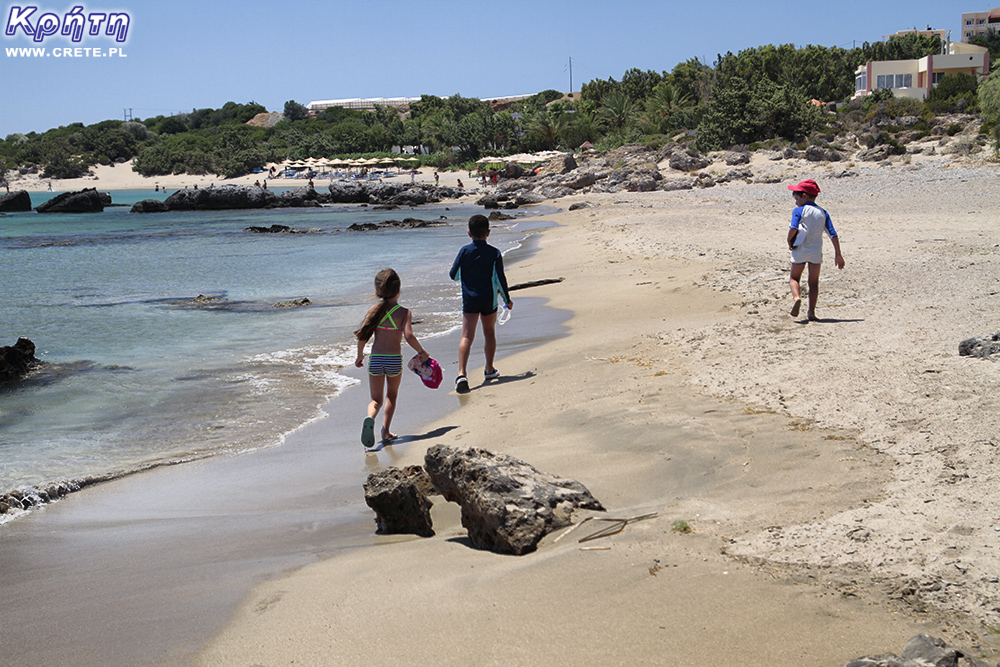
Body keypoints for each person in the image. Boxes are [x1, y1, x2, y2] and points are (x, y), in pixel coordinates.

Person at [354, 268, 431, 448]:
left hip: (376, 359)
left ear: (378, 290)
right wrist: (422, 352)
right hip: (394, 360)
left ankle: (370, 417)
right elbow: (409, 336)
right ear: (399, 288)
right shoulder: (404, 312)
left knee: (376, 400)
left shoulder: (374, 310)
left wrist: (359, 355)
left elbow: (363, 336)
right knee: (391, 396)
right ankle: (385, 431)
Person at [449, 214, 513, 394]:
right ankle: (489, 369)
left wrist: (468, 276)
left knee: (467, 336)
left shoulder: (464, 251)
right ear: (488, 233)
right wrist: (507, 299)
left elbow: (454, 275)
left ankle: (461, 373)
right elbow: (501, 279)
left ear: (469, 233)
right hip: (488, 299)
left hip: (469, 299)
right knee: (489, 333)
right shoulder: (494, 253)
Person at [786, 179, 845, 321]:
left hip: (800, 249)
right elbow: (833, 234)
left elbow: (793, 228)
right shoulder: (823, 212)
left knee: (794, 278)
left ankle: (796, 298)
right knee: (813, 282)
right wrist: (838, 254)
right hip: (815, 251)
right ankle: (811, 312)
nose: (796, 202)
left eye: (797, 198)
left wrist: (789, 241)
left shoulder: (799, 210)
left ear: (804, 196)